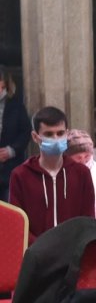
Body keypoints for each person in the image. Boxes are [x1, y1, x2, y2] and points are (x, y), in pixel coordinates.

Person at [8, 107, 95, 241]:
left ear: (67, 134)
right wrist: (41, 249)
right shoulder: (20, 175)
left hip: (74, 253)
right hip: (35, 254)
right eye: (48, 134)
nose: (55, 138)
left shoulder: (81, 173)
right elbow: (18, 223)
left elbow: (88, 218)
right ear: (35, 137)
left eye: (60, 133)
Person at [0, 65, 30, 201]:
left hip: (9, 168)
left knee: (10, 209)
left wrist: (11, 150)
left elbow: (25, 131)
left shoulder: (16, 104)